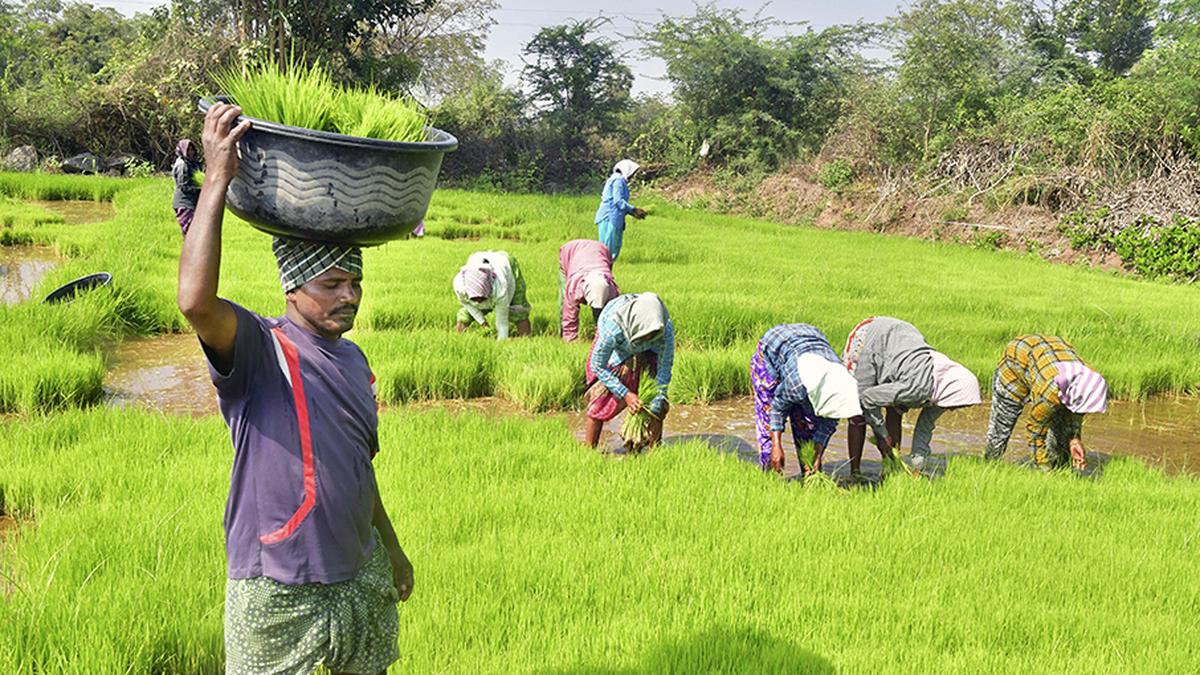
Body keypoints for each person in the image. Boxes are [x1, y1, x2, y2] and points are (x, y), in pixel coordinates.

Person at [178, 102, 412, 674]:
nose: (349, 296)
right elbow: (194, 302)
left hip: (360, 574)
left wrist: (393, 547)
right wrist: (216, 179)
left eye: (355, 282)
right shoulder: (261, 349)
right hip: (277, 587)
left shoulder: (355, 361)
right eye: (332, 283)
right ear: (292, 288)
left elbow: (359, 464)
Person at [841, 316, 982, 478]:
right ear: (954, 394)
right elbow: (867, 398)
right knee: (858, 412)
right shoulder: (919, 387)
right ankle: (855, 473)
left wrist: (918, 466)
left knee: (895, 410)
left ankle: (890, 470)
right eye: (958, 405)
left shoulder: (942, 392)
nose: (953, 409)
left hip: (899, 343)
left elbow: (924, 427)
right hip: (871, 337)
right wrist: (882, 434)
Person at [751, 324, 863, 475]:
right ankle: (769, 477)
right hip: (774, 346)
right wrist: (776, 445)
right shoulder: (797, 385)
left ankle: (809, 475)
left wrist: (817, 454)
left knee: (807, 428)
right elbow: (777, 410)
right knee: (768, 424)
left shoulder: (842, 391)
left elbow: (828, 423)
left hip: (811, 342)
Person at [984, 334, 1107, 470]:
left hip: (1049, 358)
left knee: (1061, 443)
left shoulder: (1091, 381)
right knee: (1001, 427)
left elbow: (1075, 412)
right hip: (1016, 361)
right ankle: (988, 466)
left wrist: (1074, 439)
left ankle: (1060, 468)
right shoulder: (1049, 392)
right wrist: (1044, 470)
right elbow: (1035, 431)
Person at [583, 293, 674, 449]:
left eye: (652, 335)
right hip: (618, 349)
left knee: (654, 398)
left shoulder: (663, 329)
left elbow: (664, 367)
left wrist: (660, 396)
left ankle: (655, 450)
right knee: (601, 397)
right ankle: (588, 450)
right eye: (645, 336)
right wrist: (625, 394)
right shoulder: (613, 328)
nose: (649, 338)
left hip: (650, 350)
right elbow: (597, 365)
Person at [452, 250, 531, 340]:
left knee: (518, 309)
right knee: (465, 314)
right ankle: (457, 338)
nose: (479, 303)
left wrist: (501, 343)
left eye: (482, 299)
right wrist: (483, 322)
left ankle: (526, 338)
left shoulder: (500, 289)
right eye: (475, 300)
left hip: (505, 263)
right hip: (478, 258)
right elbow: (467, 305)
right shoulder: (460, 287)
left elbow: (502, 323)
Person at [558, 239, 619, 342]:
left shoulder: (613, 291)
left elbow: (616, 318)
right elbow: (569, 314)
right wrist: (570, 340)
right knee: (564, 300)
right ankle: (561, 334)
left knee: (603, 313)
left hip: (601, 251)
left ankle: (600, 336)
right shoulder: (574, 287)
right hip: (570, 251)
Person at [594, 159, 646, 262]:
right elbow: (618, 201)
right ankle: (605, 270)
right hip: (610, 217)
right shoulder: (619, 181)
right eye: (632, 173)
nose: (632, 176)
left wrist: (631, 213)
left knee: (606, 248)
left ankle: (604, 268)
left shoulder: (614, 179)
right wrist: (634, 210)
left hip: (612, 216)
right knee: (609, 248)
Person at [172, 139, 203, 236]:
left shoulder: (193, 164)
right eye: (188, 150)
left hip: (192, 202)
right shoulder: (182, 165)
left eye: (192, 150)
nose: (190, 152)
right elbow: (183, 186)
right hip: (185, 203)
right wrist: (201, 189)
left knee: (196, 232)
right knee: (190, 233)